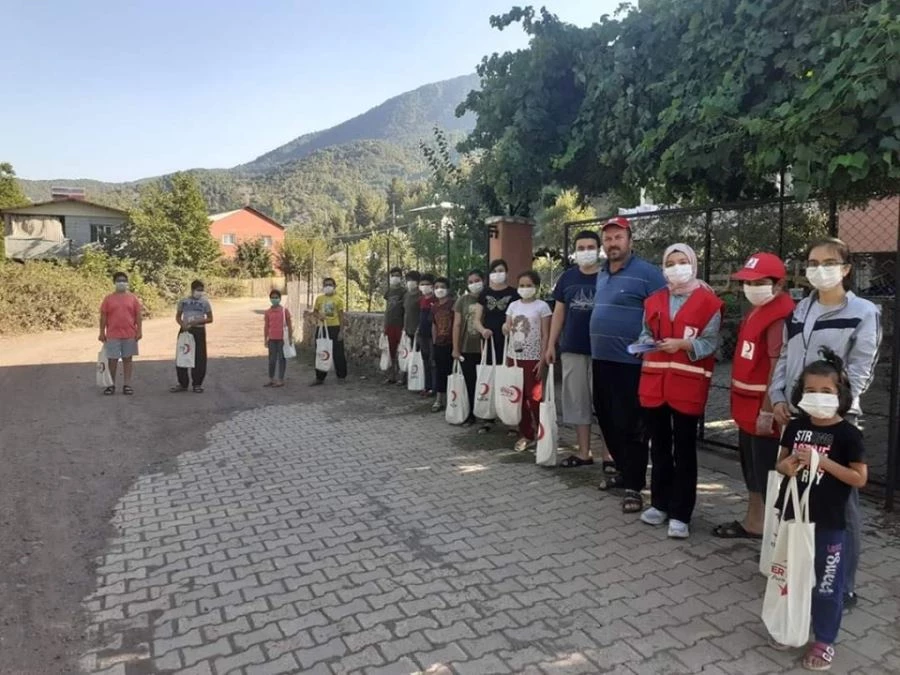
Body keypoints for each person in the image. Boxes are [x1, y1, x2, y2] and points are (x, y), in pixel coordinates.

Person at [769, 237, 881, 611]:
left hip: (836, 420)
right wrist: (779, 397)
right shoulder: (801, 310)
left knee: (839, 506)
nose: (820, 269)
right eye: (813, 262)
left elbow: (861, 370)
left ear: (846, 268)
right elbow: (785, 357)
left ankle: (842, 585)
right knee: (800, 494)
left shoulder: (864, 311)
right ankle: (800, 571)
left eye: (829, 262)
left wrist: (833, 411)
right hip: (797, 413)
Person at [769, 348, 867, 670]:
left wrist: (823, 462)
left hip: (829, 523)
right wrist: (789, 466)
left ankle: (824, 639)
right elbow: (780, 463)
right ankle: (791, 625)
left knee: (826, 584)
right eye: (811, 391)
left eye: (827, 391)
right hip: (794, 518)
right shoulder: (796, 426)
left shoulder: (849, 434)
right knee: (791, 577)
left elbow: (859, 477)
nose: (818, 396)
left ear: (841, 394)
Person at [635, 244, 723, 539]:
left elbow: (710, 343)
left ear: (693, 264)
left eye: (682, 261)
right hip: (654, 384)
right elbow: (645, 332)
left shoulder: (708, 302)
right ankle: (659, 503)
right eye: (670, 262)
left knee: (684, 451)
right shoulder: (653, 300)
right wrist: (646, 344)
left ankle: (681, 513)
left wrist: (683, 345)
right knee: (658, 447)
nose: (676, 267)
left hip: (687, 386)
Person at [713, 253, 794, 539]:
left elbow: (776, 366)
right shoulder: (760, 309)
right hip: (748, 408)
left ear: (779, 283)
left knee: (764, 471)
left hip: (763, 410)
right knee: (752, 468)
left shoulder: (779, 316)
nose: (750, 287)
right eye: (748, 281)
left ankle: (768, 529)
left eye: (759, 282)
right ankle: (754, 520)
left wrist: (767, 410)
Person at [589, 217, 666, 513]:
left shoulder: (648, 274)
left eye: (617, 237)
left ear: (630, 241)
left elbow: (661, 316)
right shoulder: (602, 273)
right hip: (601, 360)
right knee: (607, 418)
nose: (612, 243)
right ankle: (623, 471)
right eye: (607, 239)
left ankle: (634, 486)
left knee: (632, 425)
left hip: (631, 364)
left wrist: (647, 349)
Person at [546, 230, 615, 471]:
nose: (586, 252)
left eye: (590, 247)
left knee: (606, 403)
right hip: (573, 348)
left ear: (599, 250)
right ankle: (583, 453)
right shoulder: (567, 278)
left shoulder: (610, 275)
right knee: (577, 402)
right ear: (574, 251)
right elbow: (558, 313)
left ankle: (610, 455)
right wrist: (551, 345)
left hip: (604, 350)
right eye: (581, 247)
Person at [503, 271, 552, 452]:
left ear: (536, 286)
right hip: (514, 357)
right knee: (519, 397)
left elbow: (546, 334)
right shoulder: (513, 306)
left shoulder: (543, 307)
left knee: (535, 397)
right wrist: (505, 327)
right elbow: (506, 326)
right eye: (521, 285)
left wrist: (543, 358)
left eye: (528, 285)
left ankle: (543, 432)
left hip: (533, 358)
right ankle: (526, 434)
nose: (524, 289)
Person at [473, 258, 519, 433]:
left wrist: (510, 328)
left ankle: (510, 419)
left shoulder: (515, 294)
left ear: (506, 272)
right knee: (489, 378)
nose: (497, 274)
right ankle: (488, 417)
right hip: (489, 340)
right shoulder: (484, 294)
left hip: (509, 342)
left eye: (501, 270)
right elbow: (477, 320)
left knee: (507, 378)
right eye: (494, 271)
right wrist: (482, 330)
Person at [98, 271, 143, 396]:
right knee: (112, 360)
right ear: (114, 282)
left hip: (129, 334)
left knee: (127, 359)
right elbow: (103, 316)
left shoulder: (133, 298)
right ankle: (111, 385)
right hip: (112, 334)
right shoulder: (108, 299)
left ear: (127, 283)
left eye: (124, 280)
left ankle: (127, 385)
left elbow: (138, 316)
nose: (121, 283)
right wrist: (102, 332)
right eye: (119, 280)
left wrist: (139, 330)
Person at [452, 269, 485, 426]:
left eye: (477, 280)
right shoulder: (462, 301)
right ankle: (471, 414)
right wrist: (455, 348)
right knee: (470, 383)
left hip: (485, 349)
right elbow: (457, 325)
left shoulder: (488, 298)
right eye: (471, 282)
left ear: (483, 281)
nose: (474, 284)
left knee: (485, 382)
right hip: (467, 347)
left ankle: (487, 415)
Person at [171, 279, 213, 394]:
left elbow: (210, 318)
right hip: (185, 330)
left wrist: (199, 321)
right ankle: (183, 383)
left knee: (199, 357)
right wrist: (182, 324)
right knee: (182, 355)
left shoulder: (205, 302)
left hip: (199, 330)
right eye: (198, 290)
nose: (200, 292)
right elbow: (178, 316)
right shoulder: (184, 301)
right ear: (192, 290)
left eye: (201, 290)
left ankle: (197, 383)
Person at [310, 277, 347, 385]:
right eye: (326, 285)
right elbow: (315, 312)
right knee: (321, 352)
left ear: (334, 286)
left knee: (338, 353)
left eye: (330, 284)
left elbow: (341, 317)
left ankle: (341, 376)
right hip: (322, 328)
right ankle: (319, 377)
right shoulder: (319, 299)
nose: (328, 287)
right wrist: (318, 316)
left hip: (334, 328)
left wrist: (341, 331)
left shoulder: (338, 300)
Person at [431, 276, 456, 412]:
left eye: (442, 287)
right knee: (440, 372)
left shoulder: (454, 304)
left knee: (453, 372)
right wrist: (434, 343)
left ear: (448, 289)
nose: (439, 290)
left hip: (452, 343)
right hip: (439, 344)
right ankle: (439, 399)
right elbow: (434, 325)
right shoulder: (434, 307)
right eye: (436, 287)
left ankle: (453, 399)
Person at [263, 289, 293, 387]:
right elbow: (266, 326)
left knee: (281, 359)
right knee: (271, 360)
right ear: (270, 299)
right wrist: (265, 338)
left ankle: (281, 379)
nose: (274, 299)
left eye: (276, 297)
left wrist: (290, 337)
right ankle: (271, 379)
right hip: (272, 339)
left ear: (280, 299)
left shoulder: (284, 311)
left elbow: (289, 325)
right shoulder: (268, 312)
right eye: (272, 297)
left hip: (282, 339)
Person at [383, 266, 406, 384]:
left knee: (402, 351)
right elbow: (387, 308)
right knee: (390, 351)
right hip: (389, 324)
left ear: (401, 277)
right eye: (393, 276)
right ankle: (391, 375)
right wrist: (384, 325)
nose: (395, 278)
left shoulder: (404, 291)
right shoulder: (389, 291)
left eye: (397, 275)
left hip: (400, 324)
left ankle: (401, 376)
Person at [416, 273, 436, 396]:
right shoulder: (422, 300)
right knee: (425, 360)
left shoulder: (435, 300)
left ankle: (433, 388)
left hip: (432, 335)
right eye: (422, 284)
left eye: (427, 284)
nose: (424, 287)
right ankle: (426, 386)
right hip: (422, 334)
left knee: (432, 361)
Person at [400, 271, 422, 386]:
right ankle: (405, 377)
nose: (410, 282)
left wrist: (419, 327)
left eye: (412, 280)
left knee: (416, 355)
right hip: (407, 329)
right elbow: (405, 313)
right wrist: (403, 327)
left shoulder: (420, 296)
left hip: (417, 330)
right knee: (406, 354)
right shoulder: (406, 295)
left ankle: (416, 378)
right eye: (408, 280)